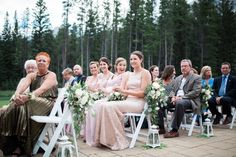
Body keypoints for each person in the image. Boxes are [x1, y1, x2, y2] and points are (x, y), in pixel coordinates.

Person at [0, 52, 58, 156]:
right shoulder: (31, 75)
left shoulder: (51, 75)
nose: (41, 62)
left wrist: (27, 97)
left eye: (44, 60)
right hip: (32, 101)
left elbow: (42, 89)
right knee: (17, 106)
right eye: (39, 60)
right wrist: (17, 95)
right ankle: (14, 145)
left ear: (48, 64)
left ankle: (21, 143)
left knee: (24, 103)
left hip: (47, 103)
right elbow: (22, 85)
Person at [93, 51, 151, 150]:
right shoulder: (129, 74)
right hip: (127, 101)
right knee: (103, 105)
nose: (132, 61)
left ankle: (117, 140)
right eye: (131, 59)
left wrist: (124, 91)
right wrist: (115, 92)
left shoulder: (145, 73)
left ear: (141, 60)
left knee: (109, 106)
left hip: (138, 102)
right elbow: (123, 92)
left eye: (135, 59)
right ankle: (104, 140)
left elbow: (143, 93)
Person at [85, 58, 127, 146]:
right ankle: (93, 135)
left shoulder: (121, 75)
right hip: (104, 95)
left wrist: (104, 90)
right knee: (92, 105)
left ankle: (100, 136)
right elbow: (101, 87)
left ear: (108, 65)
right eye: (120, 65)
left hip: (113, 97)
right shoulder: (109, 76)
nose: (122, 67)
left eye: (124, 65)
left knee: (96, 105)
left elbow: (117, 89)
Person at [164, 59, 201, 138]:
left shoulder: (196, 77)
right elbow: (172, 90)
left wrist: (180, 97)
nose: (183, 68)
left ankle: (174, 130)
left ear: (190, 67)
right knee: (162, 102)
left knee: (180, 103)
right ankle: (161, 127)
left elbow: (196, 92)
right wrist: (173, 97)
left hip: (190, 100)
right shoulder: (178, 78)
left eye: (185, 66)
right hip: (176, 99)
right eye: (182, 66)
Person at [157, 65, 176, 134]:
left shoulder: (174, 81)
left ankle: (161, 127)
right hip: (161, 99)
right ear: (169, 71)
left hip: (171, 99)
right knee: (157, 105)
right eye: (173, 71)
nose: (175, 72)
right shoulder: (159, 81)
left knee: (160, 104)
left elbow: (174, 92)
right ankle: (161, 127)